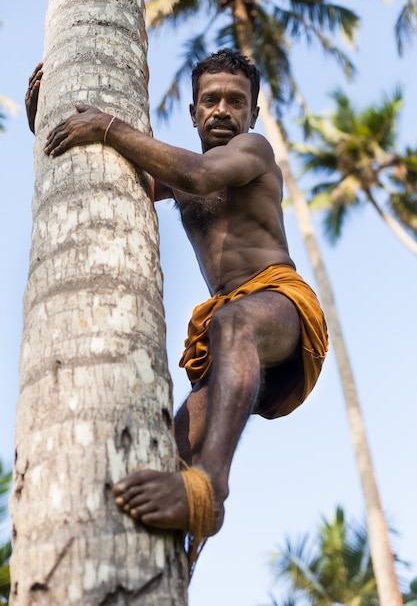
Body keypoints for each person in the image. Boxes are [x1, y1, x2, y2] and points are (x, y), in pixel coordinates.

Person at [26, 49, 328, 570]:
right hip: (229, 337)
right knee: (167, 451)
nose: (221, 111)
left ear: (252, 114)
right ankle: (179, 569)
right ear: (192, 112)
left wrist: (108, 126)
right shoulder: (176, 173)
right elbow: (107, 181)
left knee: (235, 321)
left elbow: (198, 175)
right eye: (209, 100)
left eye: (236, 101)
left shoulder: (252, 151)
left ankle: (212, 487)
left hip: (279, 304)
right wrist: (48, 119)